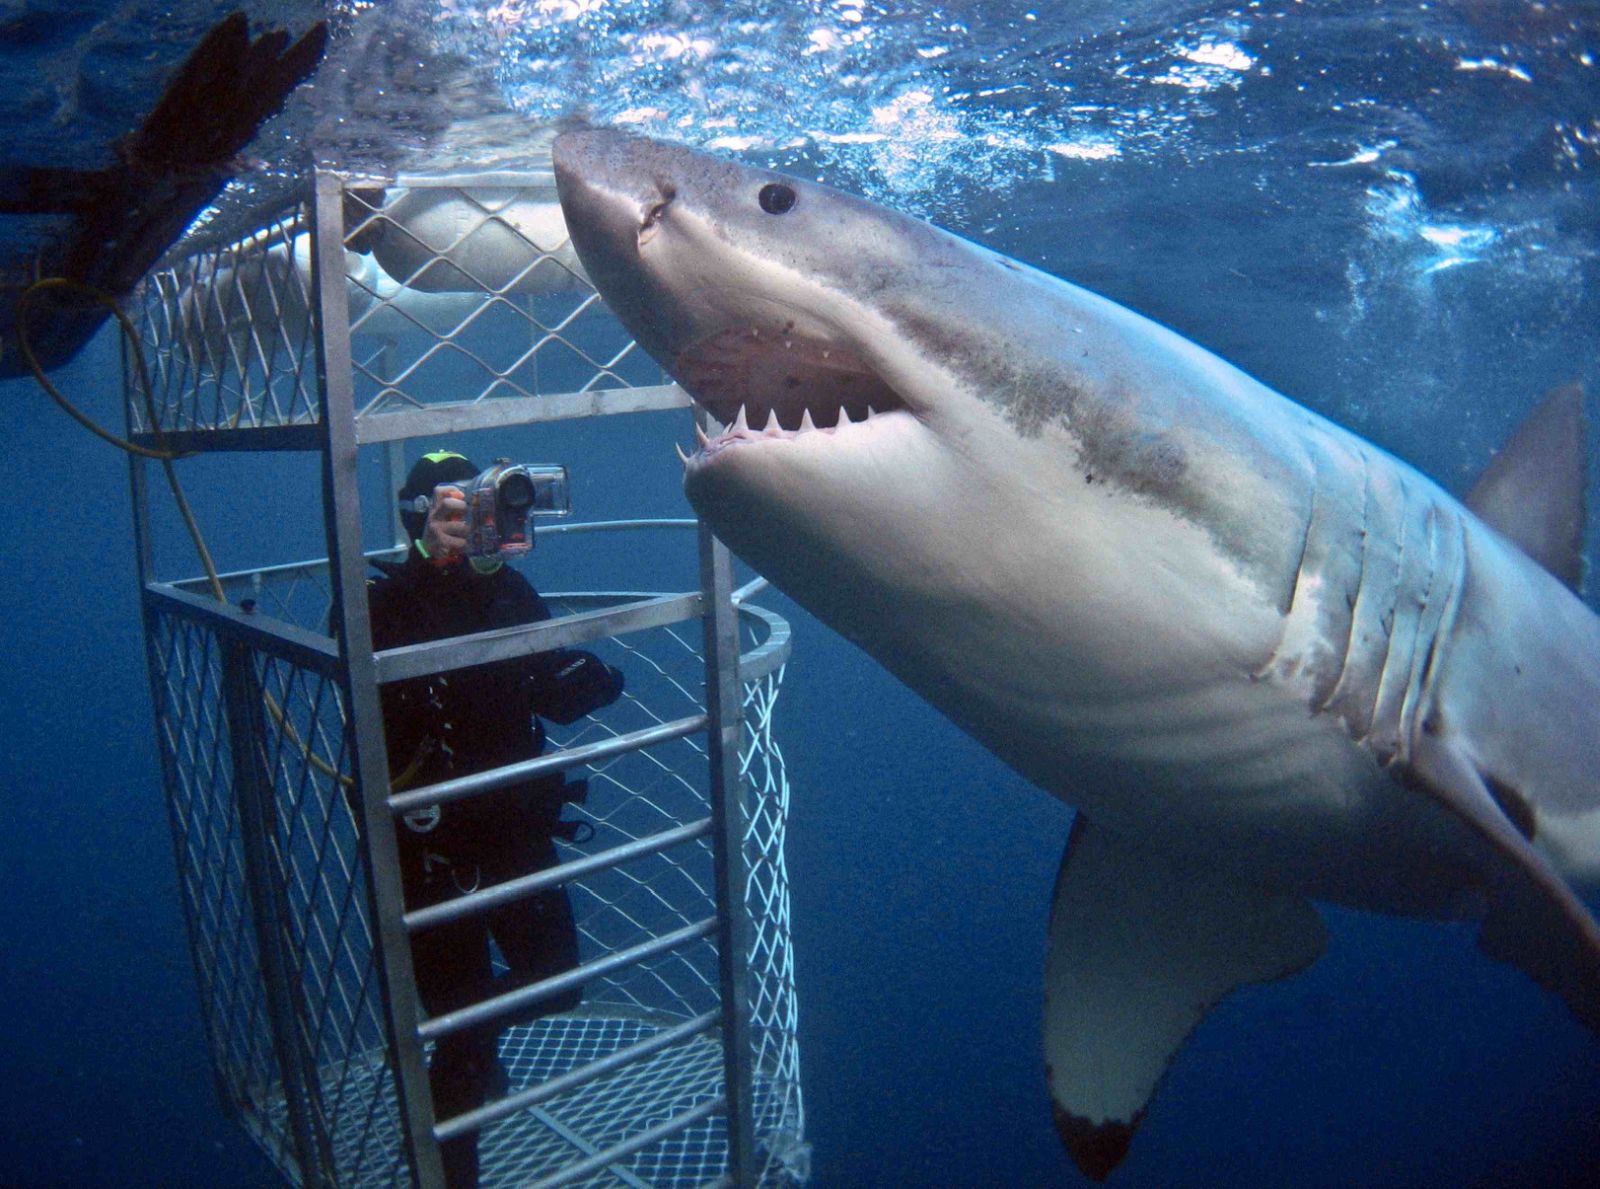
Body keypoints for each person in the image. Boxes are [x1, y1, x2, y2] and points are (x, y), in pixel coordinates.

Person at [367, 450, 625, 1189]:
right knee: (461, 1037)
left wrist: (593, 685)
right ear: (416, 517)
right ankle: (454, 1168)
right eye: (450, 513)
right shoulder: (382, 601)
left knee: (556, 980)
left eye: (475, 512)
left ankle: (466, 1038)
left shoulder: (513, 589)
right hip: (432, 847)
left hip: (514, 828)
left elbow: (547, 690)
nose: (467, 527)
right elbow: (379, 707)